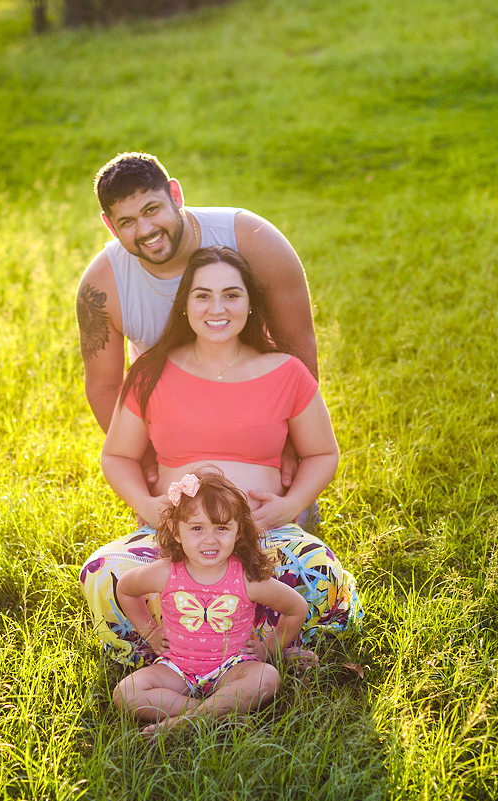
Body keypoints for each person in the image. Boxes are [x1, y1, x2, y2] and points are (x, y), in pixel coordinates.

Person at [80, 246, 361, 667]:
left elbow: (322, 452)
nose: (218, 308)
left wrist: (289, 505)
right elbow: (117, 456)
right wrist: (148, 506)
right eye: (202, 295)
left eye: (231, 295)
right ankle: (172, 648)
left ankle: (256, 649)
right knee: (104, 573)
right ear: (185, 306)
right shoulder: (151, 372)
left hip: (262, 536)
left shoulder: (285, 371)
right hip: (177, 542)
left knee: (319, 572)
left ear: (250, 305)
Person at [76, 152, 317, 498]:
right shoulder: (102, 286)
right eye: (127, 222)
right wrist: (145, 462)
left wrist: (293, 448)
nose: (146, 231)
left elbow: (298, 346)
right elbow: (103, 386)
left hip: (259, 421)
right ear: (110, 226)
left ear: (176, 194)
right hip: (174, 434)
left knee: (283, 540)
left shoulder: (253, 239)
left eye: (151, 209)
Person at [111, 468, 308, 735]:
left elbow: (296, 608)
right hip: (176, 668)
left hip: (233, 667)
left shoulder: (246, 578)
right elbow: (125, 589)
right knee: (125, 693)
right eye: (196, 528)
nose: (210, 539)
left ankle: (182, 723)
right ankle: (216, 713)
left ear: (239, 532)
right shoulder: (166, 572)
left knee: (266, 677)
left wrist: (267, 649)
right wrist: (150, 632)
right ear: (176, 531)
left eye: (222, 528)